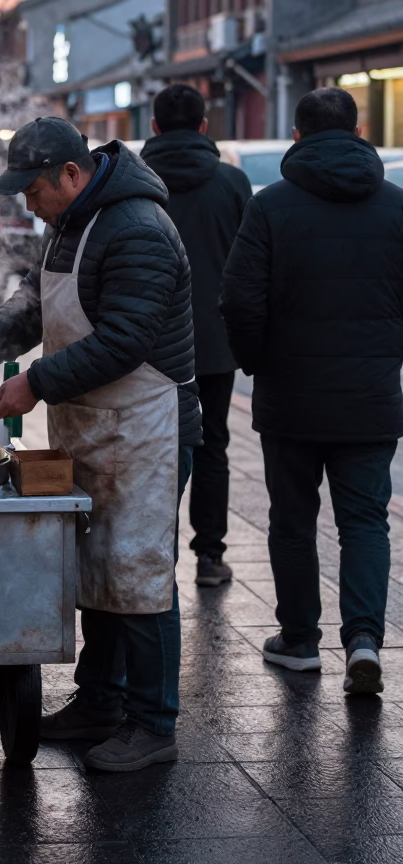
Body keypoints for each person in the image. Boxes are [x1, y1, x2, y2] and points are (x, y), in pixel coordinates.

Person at [0, 116, 200, 772]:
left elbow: (126, 340)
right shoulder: (70, 223)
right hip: (91, 423)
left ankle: (153, 723)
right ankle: (99, 701)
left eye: (33, 190)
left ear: (71, 172)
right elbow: (35, 303)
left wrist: (35, 382)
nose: (28, 204)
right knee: (97, 567)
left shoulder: (138, 228)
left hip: (147, 426)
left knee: (139, 572)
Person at [221, 87, 403, 694]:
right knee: (365, 522)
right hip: (371, 397)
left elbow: (241, 300)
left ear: (296, 137)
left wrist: (256, 363)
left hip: (291, 394)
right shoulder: (396, 207)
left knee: (293, 521)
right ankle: (364, 641)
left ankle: (300, 640)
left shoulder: (271, 206)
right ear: (358, 133)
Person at [141, 85, 252, 587]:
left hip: (145, 341)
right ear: (205, 126)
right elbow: (249, 267)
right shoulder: (232, 183)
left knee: (150, 447)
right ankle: (210, 555)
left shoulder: (135, 183)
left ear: (155, 126)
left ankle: (153, 551)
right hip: (213, 341)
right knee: (214, 446)